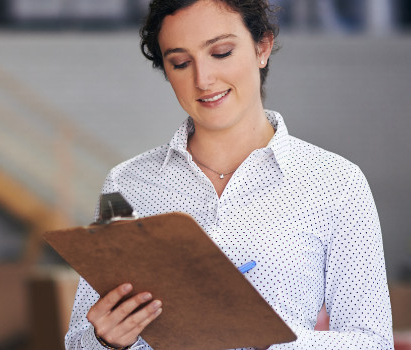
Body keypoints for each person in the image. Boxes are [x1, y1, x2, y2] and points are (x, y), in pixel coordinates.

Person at [64, 0, 394, 349]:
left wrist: (264, 339)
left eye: (221, 52)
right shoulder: (126, 184)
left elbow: (372, 342)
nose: (203, 79)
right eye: (180, 62)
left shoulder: (336, 183)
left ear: (261, 47)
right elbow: (77, 342)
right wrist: (104, 340)